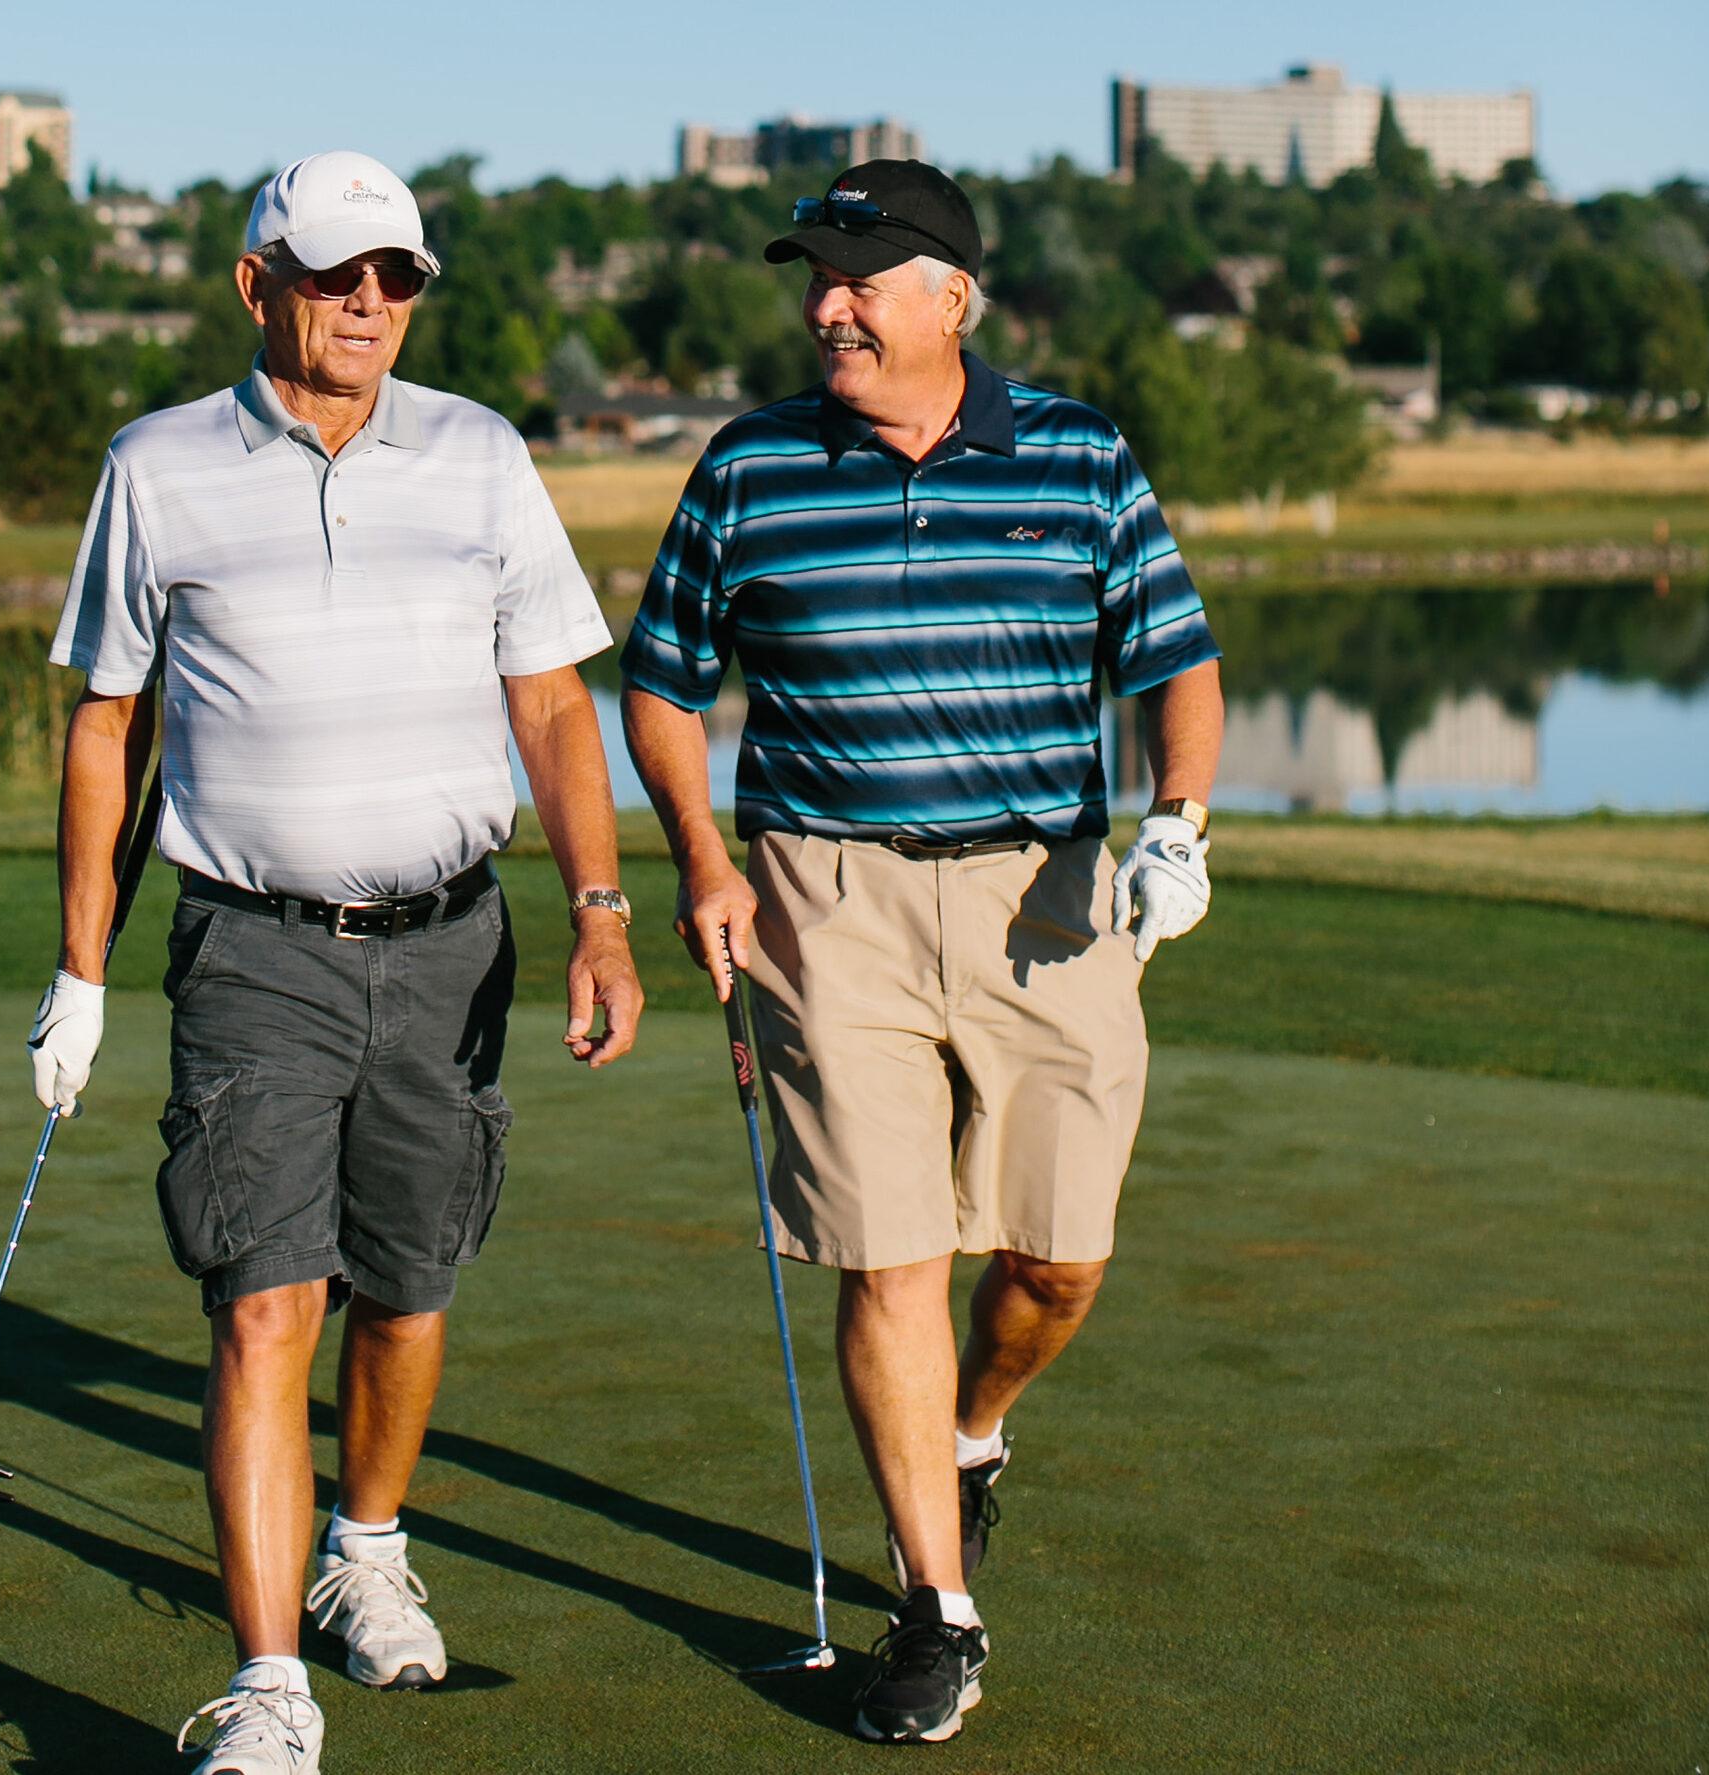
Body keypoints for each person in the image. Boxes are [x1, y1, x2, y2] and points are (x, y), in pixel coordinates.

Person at [29, 150, 643, 1775]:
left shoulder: (481, 454)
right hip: (253, 947)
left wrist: (599, 907)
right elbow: (108, 724)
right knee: (261, 1301)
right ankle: (269, 1684)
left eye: (397, 278)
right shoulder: (157, 469)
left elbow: (556, 704)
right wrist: (82, 971)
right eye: (336, 272)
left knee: (412, 1282)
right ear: (258, 284)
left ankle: (366, 1551)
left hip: (453, 943)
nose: (370, 301)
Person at [621, 159, 1223, 1746]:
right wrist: (700, 859)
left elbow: (1176, 661)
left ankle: (976, 1427)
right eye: (815, 277)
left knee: (1055, 1258)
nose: (829, 305)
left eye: (863, 277)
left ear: (953, 295)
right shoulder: (749, 468)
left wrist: (1180, 821)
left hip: (1049, 900)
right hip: (825, 903)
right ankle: (935, 1611)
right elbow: (666, 681)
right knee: (888, 1256)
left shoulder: (1080, 454)